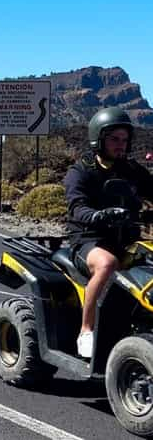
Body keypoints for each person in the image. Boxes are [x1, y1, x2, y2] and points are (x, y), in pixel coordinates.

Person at [64, 107, 153, 358]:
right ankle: (86, 330)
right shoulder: (81, 171)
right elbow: (76, 207)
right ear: (98, 139)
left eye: (124, 140)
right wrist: (97, 216)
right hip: (88, 241)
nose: (120, 145)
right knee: (107, 264)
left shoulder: (132, 170)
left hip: (127, 239)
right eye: (114, 139)